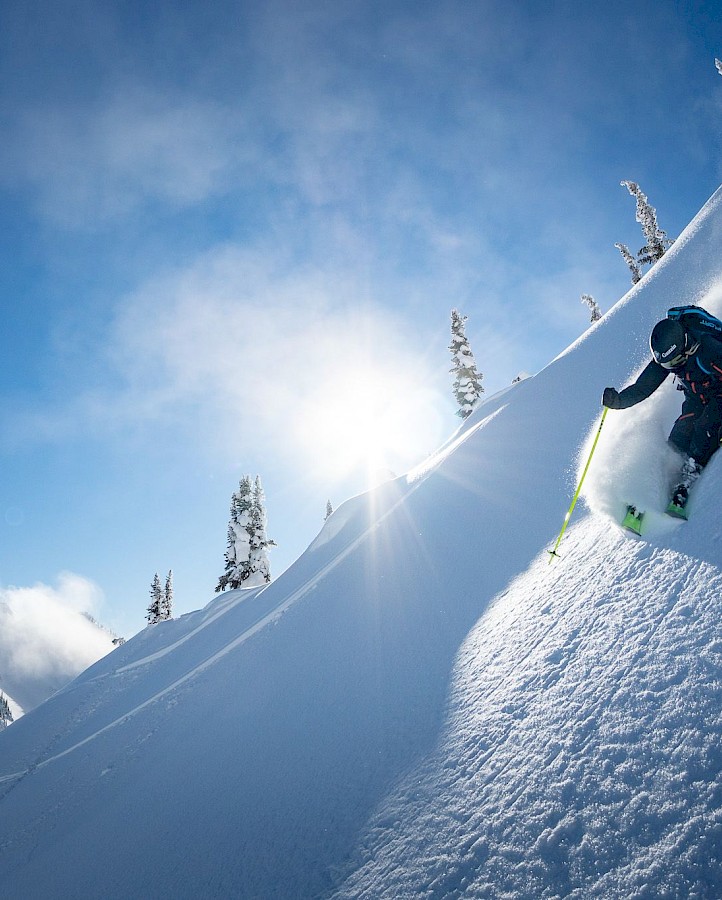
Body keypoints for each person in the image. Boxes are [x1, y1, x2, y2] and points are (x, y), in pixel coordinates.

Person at [602, 307, 722, 510]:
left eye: (675, 362)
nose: (672, 368)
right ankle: (654, 488)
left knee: (705, 429)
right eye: (667, 365)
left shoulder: (709, 350)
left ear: (686, 347)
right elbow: (643, 387)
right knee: (678, 438)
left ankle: (689, 478)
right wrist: (619, 401)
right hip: (695, 399)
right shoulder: (668, 357)